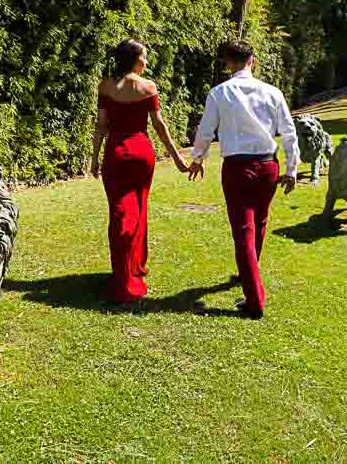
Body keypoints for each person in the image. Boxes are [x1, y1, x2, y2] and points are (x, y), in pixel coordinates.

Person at [188, 40, 299, 319]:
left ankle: (254, 300)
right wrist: (291, 168)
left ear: (228, 63)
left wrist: (197, 158)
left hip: (238, 168)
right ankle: (248, 274)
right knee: (258, 223)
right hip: (267, 166)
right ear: (253, 61)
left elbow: (206, 130)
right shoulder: (272, 92)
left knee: (243, 232)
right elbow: (288, 132)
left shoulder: (219, 93)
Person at [91, 39, 189, 304]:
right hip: (141, 152)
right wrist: (177, 156)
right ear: (135, 59)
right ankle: (134, 268)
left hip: (115, 152)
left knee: (119, 211)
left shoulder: (105, 85)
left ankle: (122, 272)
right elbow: (159, 125)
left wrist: (94, 158)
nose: (146, 61)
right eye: (144, 57)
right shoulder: (147, 86)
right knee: (138, 208)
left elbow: (101, 124)